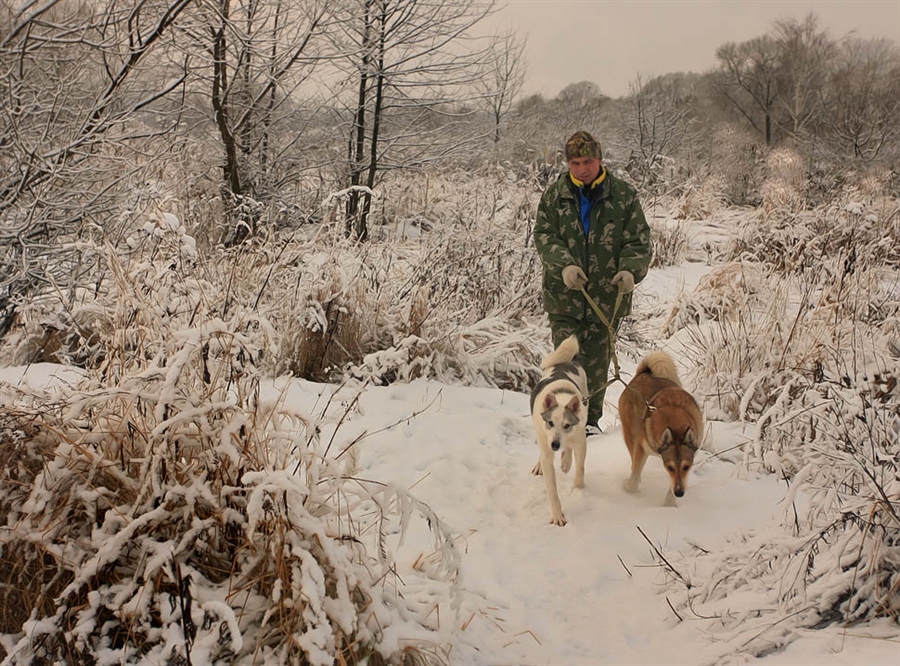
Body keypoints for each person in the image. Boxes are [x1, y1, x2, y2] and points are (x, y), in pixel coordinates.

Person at [533, 130, 652, 431]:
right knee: (565, 368)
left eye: (587, 161)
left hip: (607, 300)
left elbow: (638, 242)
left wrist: (630, 271)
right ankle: (562, 426)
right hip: (564, 298)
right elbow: (545, 236)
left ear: (599, 159)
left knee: (596, 372)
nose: (582, 169)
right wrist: (564, 266)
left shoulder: (623, 195)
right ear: (567, 163)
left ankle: (590, 426)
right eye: (575, 162)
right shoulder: (554, 196)